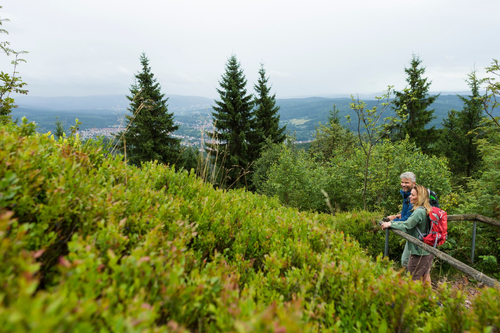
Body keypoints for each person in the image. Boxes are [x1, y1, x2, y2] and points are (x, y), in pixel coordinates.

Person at [381, 185, 434, 284]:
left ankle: (413, 298)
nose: (410, 197)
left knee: (413, 278)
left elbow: (407, 225)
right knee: (425, 275)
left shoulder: (419, 212)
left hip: (419, 251)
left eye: (413, 195)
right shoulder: (427, 209)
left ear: (420, 197)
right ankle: (430, 298)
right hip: (428, 250)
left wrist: (390, 223)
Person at [385, 172, 416, 268]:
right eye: (402, 182)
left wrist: (391, 223)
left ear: (413, 183)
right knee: (421, 267)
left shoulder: (414, 197)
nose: (403, 185)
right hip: (414, 232)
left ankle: (410, 282)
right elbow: (407, 213)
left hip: (418, 234)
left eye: (407, 182)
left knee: (406, 262)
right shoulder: (407, 195)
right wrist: (396, 216)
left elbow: (408, 219)